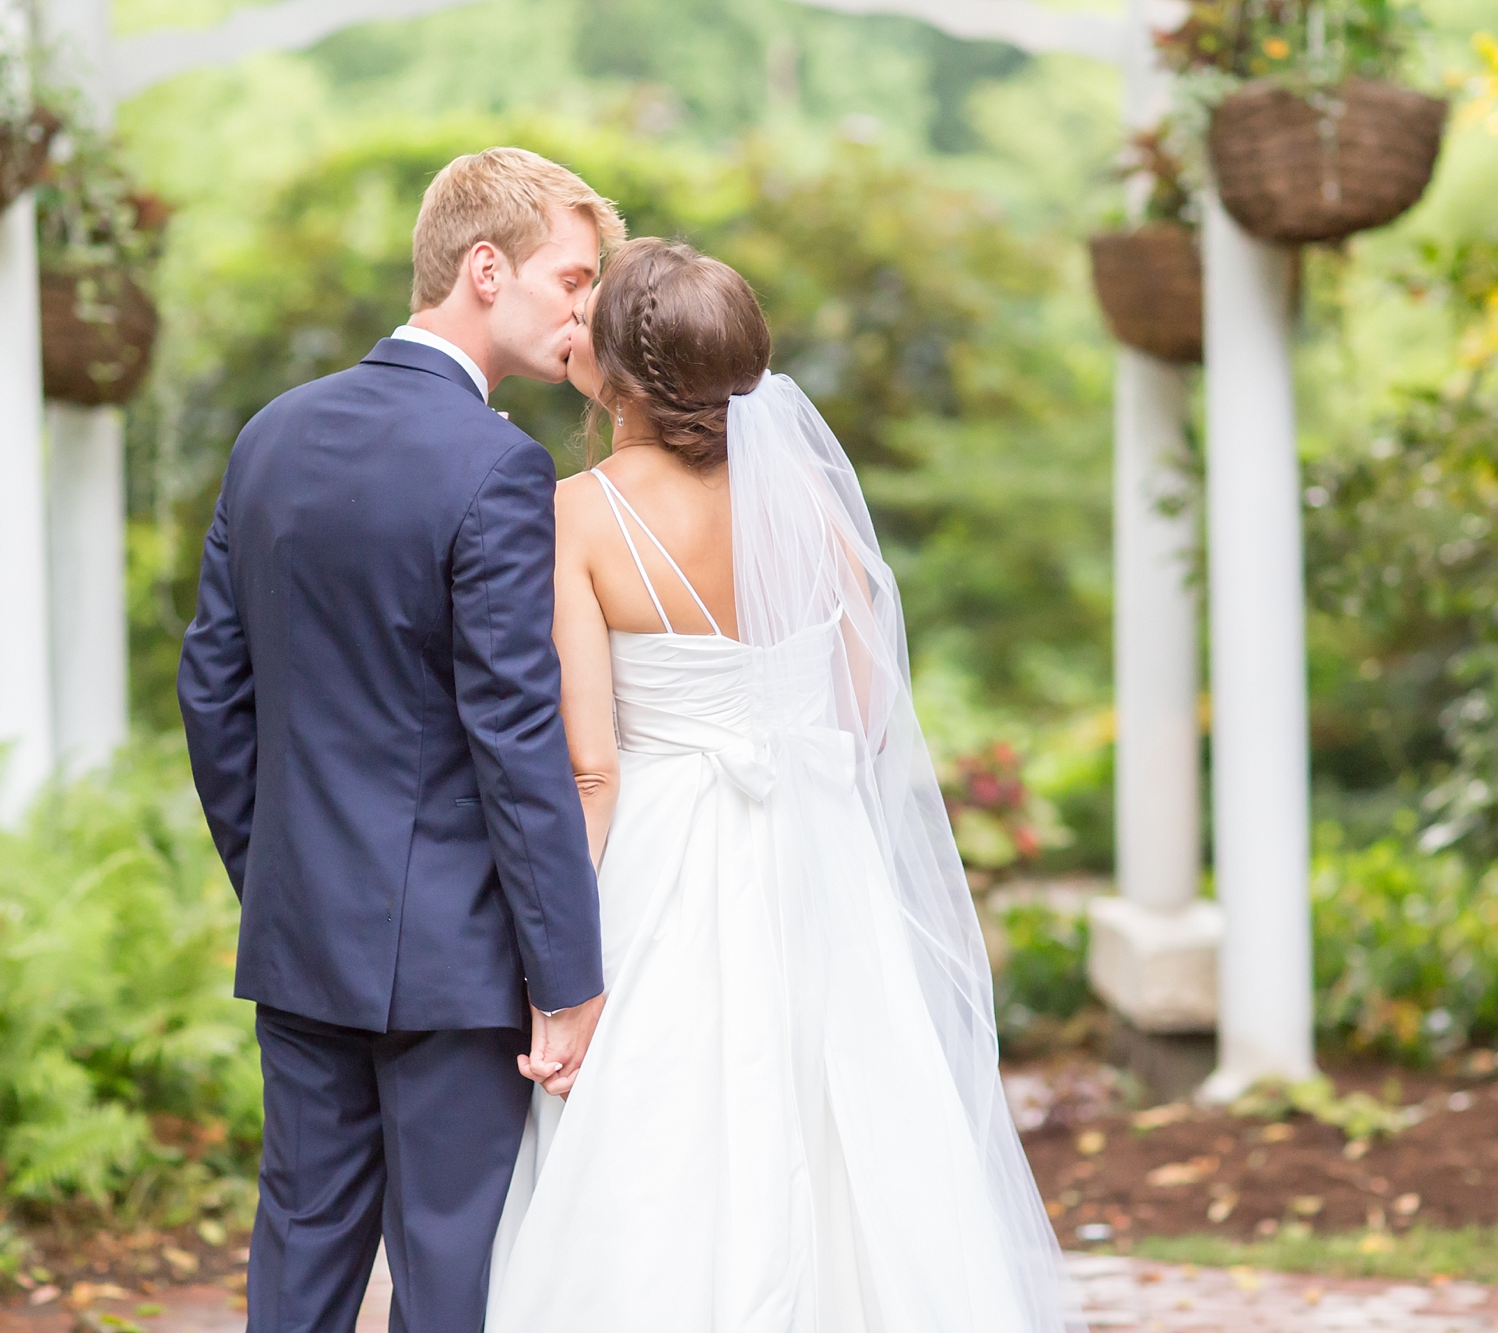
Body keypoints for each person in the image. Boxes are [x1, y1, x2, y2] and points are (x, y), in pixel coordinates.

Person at [485, 237, 1083, 1332]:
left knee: (662, 1135)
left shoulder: (577, 514)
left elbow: (591, 767)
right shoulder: (806, 499)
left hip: (663, 854)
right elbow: (861, 710)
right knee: (846, 1118)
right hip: (817, 855)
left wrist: (552, 969)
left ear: (617, 375)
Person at [177, 147, 624, 1333]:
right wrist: (566, 974)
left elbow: (211, 689)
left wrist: (274, 868)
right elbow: (513, 730)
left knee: (303, 1253)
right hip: (455, 954)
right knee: (449, 1274)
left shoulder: (270, 432)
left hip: (301, 929)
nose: (586, 309)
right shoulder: (496, 465)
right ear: (486, 268)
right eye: (570, 278)